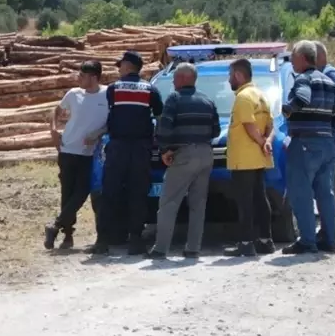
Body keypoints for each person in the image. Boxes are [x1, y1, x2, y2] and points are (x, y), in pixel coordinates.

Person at [90, 50, 164, 255]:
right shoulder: (150, 89)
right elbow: (159, 117)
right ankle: (136, 240)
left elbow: (110, 114)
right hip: (141, 148)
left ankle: (103, 240)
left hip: (118, 147)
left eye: (121, 65)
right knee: (138, 193)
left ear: (129, 66)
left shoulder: (113, 88)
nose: (119, 68)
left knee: (110, 192)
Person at [276, 40, 335, 255]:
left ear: (303, 58)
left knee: (301, 193)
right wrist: (329, 136)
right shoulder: (328, 82)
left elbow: (303, 98)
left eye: (294, 57)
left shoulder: (302, 79)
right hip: (326, 145)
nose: (292, 62)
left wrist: (287, 110)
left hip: (304, 143)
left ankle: (307, 241)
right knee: (325, 193)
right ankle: (330, 239)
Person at [149, 63, 220, 260]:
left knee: (169, 202)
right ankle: (193, 248)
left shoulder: (174, 99)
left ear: (182, 79)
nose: (173, 82)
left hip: (184, 155)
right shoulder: (207, 100)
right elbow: (216, 131)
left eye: (175, 78)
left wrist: (165, 150)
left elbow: (164, 128)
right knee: (198, 203)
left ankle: (160, 249)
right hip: (206, 154)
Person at [44, 60, 108, 250]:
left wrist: (97, 134)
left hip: (90, 154)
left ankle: (55, 225)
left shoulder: (107, 95)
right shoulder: (73, 94)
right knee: (67, 193)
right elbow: (56, 110)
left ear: (94, 77)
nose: (78, 78)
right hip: (67, 149)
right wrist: (54, 130)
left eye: (82, 75)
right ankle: (67, 235)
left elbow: (111, 122)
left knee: (82, 191)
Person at [224, 58, 276, 257]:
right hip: (258, 158)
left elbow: (248, 124)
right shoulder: (261, 96)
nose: (230, 80)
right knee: (260, 199)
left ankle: (246, 243)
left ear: (238, 75)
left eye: (230, 76)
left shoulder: (244, 97)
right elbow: (271, 126)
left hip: (244, 158)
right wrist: (267, 141)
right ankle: (265, 240)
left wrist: (262, 142)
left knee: (245, 202)